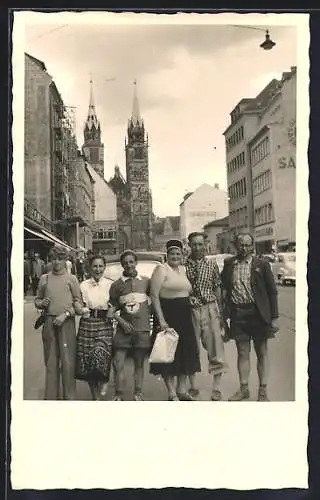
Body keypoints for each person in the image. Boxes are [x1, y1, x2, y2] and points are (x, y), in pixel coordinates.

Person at [221, 233, 279, 402]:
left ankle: (262, 391)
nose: (244, 248)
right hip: (238, 313)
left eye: (247, 245)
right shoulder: (229, 264)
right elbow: (224, 290)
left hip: (258, 314)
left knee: (262, 352)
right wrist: (223, 318)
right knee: (242, 352)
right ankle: (244, 388)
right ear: (236, 246)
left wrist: (274, 317)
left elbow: (272, 292)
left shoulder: (262, 264)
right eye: (241, 245)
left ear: (252, 246)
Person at [150, 239, 201, 401]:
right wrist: (162, 321)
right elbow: (154, 296)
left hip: (185, 316)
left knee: (185, 353)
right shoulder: (161, 269)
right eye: (172, 253)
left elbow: (187, 291)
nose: (175, 256)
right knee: (168, 354)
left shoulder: (183, 269)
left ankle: (181, 390)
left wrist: (190, 300)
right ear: (167, 255)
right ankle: (171, 393)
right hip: (168, 315)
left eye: (178, 253)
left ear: (182, 255)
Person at [34, 246, 83, 400]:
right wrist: (41, 303)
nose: (56, 262)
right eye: (53, 259)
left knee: (68, 363)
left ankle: (69, 398)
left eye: (60, 259)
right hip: (49, 322)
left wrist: (67, 313)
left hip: (66, 323)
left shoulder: (72, 279)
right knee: (51, 362)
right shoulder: (44, 278)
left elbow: (79, 303)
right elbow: (37, 300)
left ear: (65, 260)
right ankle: (51, 398)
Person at [185, 232, 228, 401]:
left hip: (210, 308)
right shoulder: (183, 264)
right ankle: (193, 386)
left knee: (215, 348)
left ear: (204, 245)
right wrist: (188, 298)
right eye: (193, 244)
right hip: (191, 310)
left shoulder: (211, 264)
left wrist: (221, 312)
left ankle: (216, 388)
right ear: (189, 245)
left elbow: (217, 288)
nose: (197, 248)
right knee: (191, 348)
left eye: (200, 244)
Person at [107, 250, 151, 401]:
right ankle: (119, 394)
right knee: (118, 362)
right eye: (125, 263)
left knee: (139, 363)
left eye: (131, 262)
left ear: (136, 262)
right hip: (123, 330)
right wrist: (122, 322)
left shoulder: (146, 281)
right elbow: (111, 310)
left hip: (142, 329)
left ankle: (138, 393)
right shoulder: (116, 285)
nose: (129, 265)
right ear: (122, 265)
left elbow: (154, 302)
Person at [76, 255, 114, 400]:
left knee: (101, 356)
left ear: (104, 268)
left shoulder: (110, 284)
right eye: (95, 266)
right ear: (89, 268)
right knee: (88, 361)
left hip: (104, 323)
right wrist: (80, 308)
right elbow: (78, 302)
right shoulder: (83, 285)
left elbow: (115, 303)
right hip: (87, 323)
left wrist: (113, 309)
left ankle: (104, 380)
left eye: (100, 266)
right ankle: (95, 396)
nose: (98, 269)